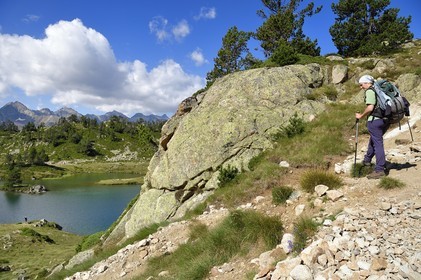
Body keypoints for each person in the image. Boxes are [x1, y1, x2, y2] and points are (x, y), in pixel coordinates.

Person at [355, 75, 390, 179]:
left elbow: (370, 107)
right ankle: (367, 160)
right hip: (384, 120)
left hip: (375, 121)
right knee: (374, 140)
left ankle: (379, 170)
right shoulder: (378, 90)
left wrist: (361, 116)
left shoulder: (370, 91)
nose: (361, 87)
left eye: (361, 85)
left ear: (367, 83)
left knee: (378, 144)